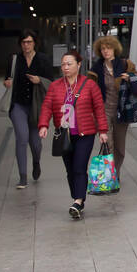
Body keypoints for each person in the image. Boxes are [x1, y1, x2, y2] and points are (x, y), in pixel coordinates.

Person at [37, 49, 108, 220]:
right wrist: (44, 125)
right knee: (70, 170)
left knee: (79, 167)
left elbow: (99, 108)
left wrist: (103, 131)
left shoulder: (89, 84)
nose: (65, 67)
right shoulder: (55, 86)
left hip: (85, 133)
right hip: (64, 134)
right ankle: (78, 199)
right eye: (63, 64)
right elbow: (47, 106)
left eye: (69, 64)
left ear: (79, 64)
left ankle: (78, 201)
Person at [3, 31, 54, 189]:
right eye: (24, 42)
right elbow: (7, 78)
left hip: (37, 105)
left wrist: (39, 80)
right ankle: (22, 177)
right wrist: (7, 82)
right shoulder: (14, 59)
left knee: (36, 143)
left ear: (34, 43)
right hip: (18, 104)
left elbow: (51, 82)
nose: (26, 45)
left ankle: (36, 162)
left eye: (29, 42)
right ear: (20, 43)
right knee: (22, 138)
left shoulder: (43, 59)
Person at [90, 36, 137, 190]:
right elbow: (90, 90)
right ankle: (109, 177)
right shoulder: (96, 68)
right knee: (107, 143)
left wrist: (129, 78)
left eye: (108, 48)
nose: (106, 51)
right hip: (103, 110)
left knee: (120, 148)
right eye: (103, 48)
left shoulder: (125, 65)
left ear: (114, 49)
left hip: (122, 110)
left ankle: (116, 172)